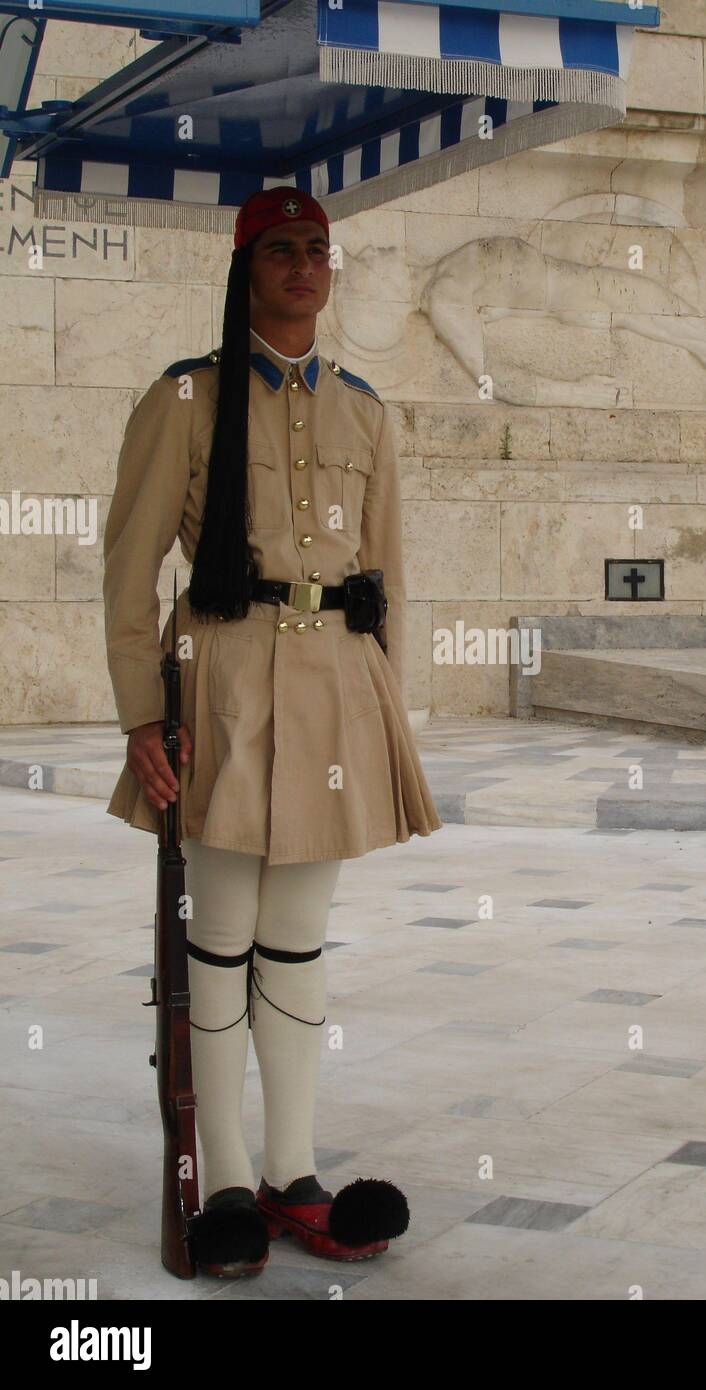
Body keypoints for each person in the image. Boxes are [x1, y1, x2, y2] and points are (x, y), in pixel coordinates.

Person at [101, 186, 443, 1275]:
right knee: (220, 941)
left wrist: (384, 708)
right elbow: (127, 572)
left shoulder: (365, 410)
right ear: (247, 266)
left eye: (317, 251)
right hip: (225, 685)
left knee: (297, 944)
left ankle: (296, 1175)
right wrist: (140, 717)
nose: (304, 266)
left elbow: (384, 580)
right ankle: (230, 1183)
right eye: (281, 249)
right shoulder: (187, 398)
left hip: (336, 690)